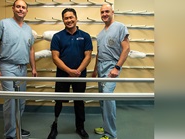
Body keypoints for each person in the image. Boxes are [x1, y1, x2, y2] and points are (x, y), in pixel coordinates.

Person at [0, 0, 37, 139]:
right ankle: (10, 134)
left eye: (23, 7)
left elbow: (31, 49)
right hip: (7, 66)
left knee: (21, 101)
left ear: (27, 11)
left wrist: (33, 67)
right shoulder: (3, 24)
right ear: (13, 8)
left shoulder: (28, 29)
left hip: (23, 68)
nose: (21, 9)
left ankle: (17, 128)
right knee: (11, 101)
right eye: (18, 7)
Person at [47, 8, 93, 139]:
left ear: (76, 18)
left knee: (79, 101)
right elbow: (55, 57)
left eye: (71, 17)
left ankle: (80, 127)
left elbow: (88, 56)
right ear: (63, 20)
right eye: (66, 18)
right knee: (59, 101)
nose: (69, 20)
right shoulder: (57, 37)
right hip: (62, 75)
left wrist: (77, 71)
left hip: (80, 75)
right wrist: (69, 71)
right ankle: (54, 126)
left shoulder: (85, 36)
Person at [92, 3, 130, 139]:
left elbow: (126, 49)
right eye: (102, 12)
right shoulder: (100, 34)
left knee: (107, 96)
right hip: (101, 66)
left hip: (112, 66)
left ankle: (111, 134)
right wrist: (95, 70)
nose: (104, 14)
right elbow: (99, 53)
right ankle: (106, 125)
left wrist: (117, 67)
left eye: (107, 11)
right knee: (102, 99)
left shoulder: (120, 27)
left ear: (112, 12)